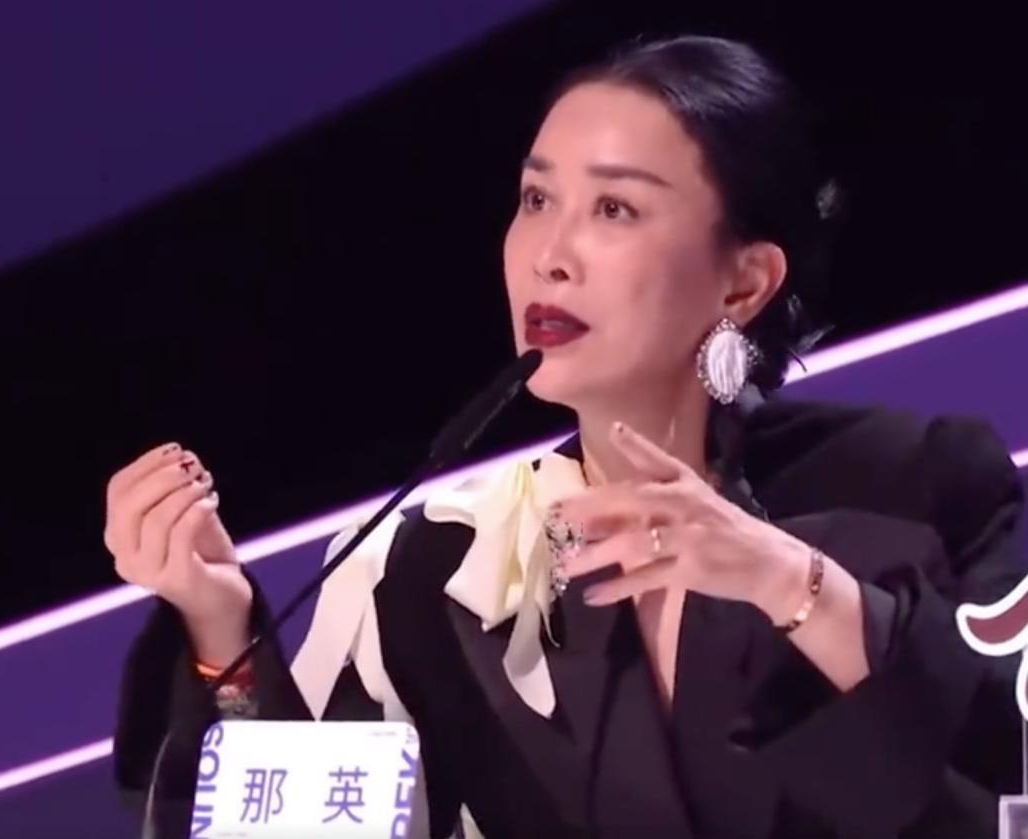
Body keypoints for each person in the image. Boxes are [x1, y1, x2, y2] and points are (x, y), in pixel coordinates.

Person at [106, 34, 1026, 838]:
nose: (550, 254)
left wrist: (795, 586)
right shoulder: (433, 572)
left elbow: (1003, 763)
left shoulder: (919, 487)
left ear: (744, 283)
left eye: (614, 209)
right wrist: (218, 621)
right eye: (536, 199)